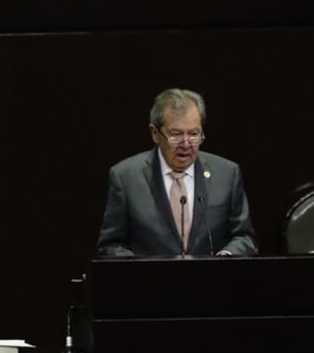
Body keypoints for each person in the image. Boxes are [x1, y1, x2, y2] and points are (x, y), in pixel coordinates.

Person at [96, 88, 258, 257]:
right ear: (155, 133)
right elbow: (110, 245)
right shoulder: (125, 177)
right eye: (176, 135)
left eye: (194, 134)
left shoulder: (227, 174)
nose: (186, 144)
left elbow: (245, 238)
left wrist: (223, 259)